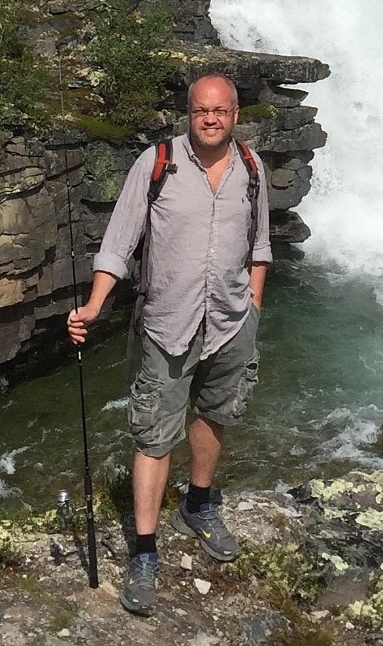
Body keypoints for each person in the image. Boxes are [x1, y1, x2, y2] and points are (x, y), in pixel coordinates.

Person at [66, 72, 270, 616]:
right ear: (189, 112)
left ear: (234, 115)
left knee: (215, 414)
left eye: (220, 111)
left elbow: (261, 245)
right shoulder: (156, 164)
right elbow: (119, 242)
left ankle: (198, 505)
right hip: (167, 323)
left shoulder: (251, 168)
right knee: (155, 435)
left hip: (230, 320)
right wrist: (93, 306)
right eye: (202, 110)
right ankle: (145, 550)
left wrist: (253, 307)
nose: (210, 119)